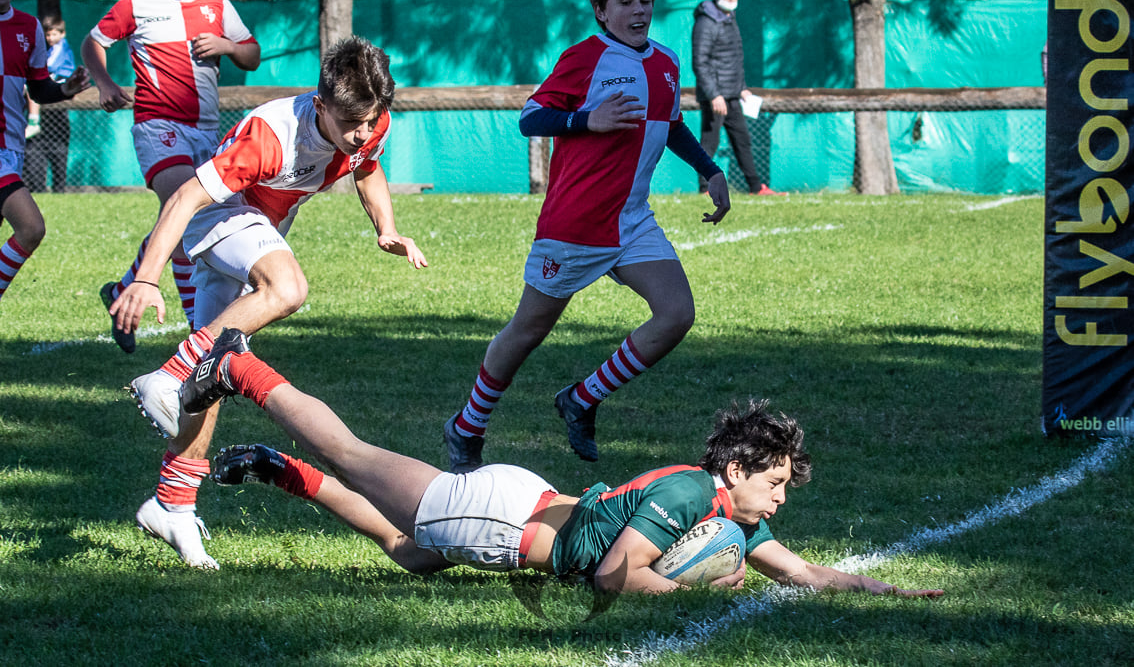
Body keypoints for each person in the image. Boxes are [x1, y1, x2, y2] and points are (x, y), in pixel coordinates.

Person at [181, 329, 944, 598]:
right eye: (773, 482)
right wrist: (693, 590)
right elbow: (617, 576)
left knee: (411, 554)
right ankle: (241, 368)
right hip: (502, 517)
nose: (779, 500)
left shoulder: (730, 523)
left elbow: (805, 574)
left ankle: (281, 469)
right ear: (736, 472)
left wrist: (889, 587)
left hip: (520, 507)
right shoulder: (687, 492)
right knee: (352, 451)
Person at [109, 36, 427, 569]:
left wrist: (387, 229)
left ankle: (173, 503)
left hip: (257, 227)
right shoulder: (270, 135)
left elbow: (367, 167)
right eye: (352, 124)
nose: (364, 134)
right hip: (222, 218)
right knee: (287, 288)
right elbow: (187, 196)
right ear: (321, 105)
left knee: (213, 375)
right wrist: (145, 278)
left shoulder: (367, 121)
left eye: (372, 121)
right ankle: (166, 373)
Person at [443, 0, 732, 474]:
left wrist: (709, 170)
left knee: (676, 314)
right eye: (626, 1)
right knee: (528, 330)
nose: (639, 9)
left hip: (632, 221)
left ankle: (582, 397)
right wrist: (587, 120)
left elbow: (669, 126)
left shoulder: (666, 62)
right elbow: (532, 118)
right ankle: (466, 426)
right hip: (574, 228)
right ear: (601, 9)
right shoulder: (584, 57)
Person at [82, 0, 261, 353]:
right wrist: (104, 83)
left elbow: (253, 54)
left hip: (206, 131)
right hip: (157, 126)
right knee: (186, 211)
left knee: (183, 219)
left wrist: (228, 48)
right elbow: (93, 43)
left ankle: (123, 289)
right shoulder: (138, 3)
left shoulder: (217, 4)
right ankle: (198, 331)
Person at [0, 0, 90, 305]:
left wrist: (65, 89)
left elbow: (38, 89)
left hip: (12, 149)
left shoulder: (29, 28)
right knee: (31, 227)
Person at [692, 0, 781, 196]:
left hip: (732, 95)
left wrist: (741, 87)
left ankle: (755, 187)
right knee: (709, 143)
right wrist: (714, 95)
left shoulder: (729, 18)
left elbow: (733, 59)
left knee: (743, 140)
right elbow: (700, 62)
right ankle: (705, 189)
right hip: (716, 98)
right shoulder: (706, 22)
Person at [25, 13, 76, 193]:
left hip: (60, 84)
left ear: (62, 34)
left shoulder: (61, 49)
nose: (50, 38)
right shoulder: (51, 49)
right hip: (53, 85)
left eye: (54, 34)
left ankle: (33, 119)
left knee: (32, 85)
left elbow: (48, 67)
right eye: (48, 35)